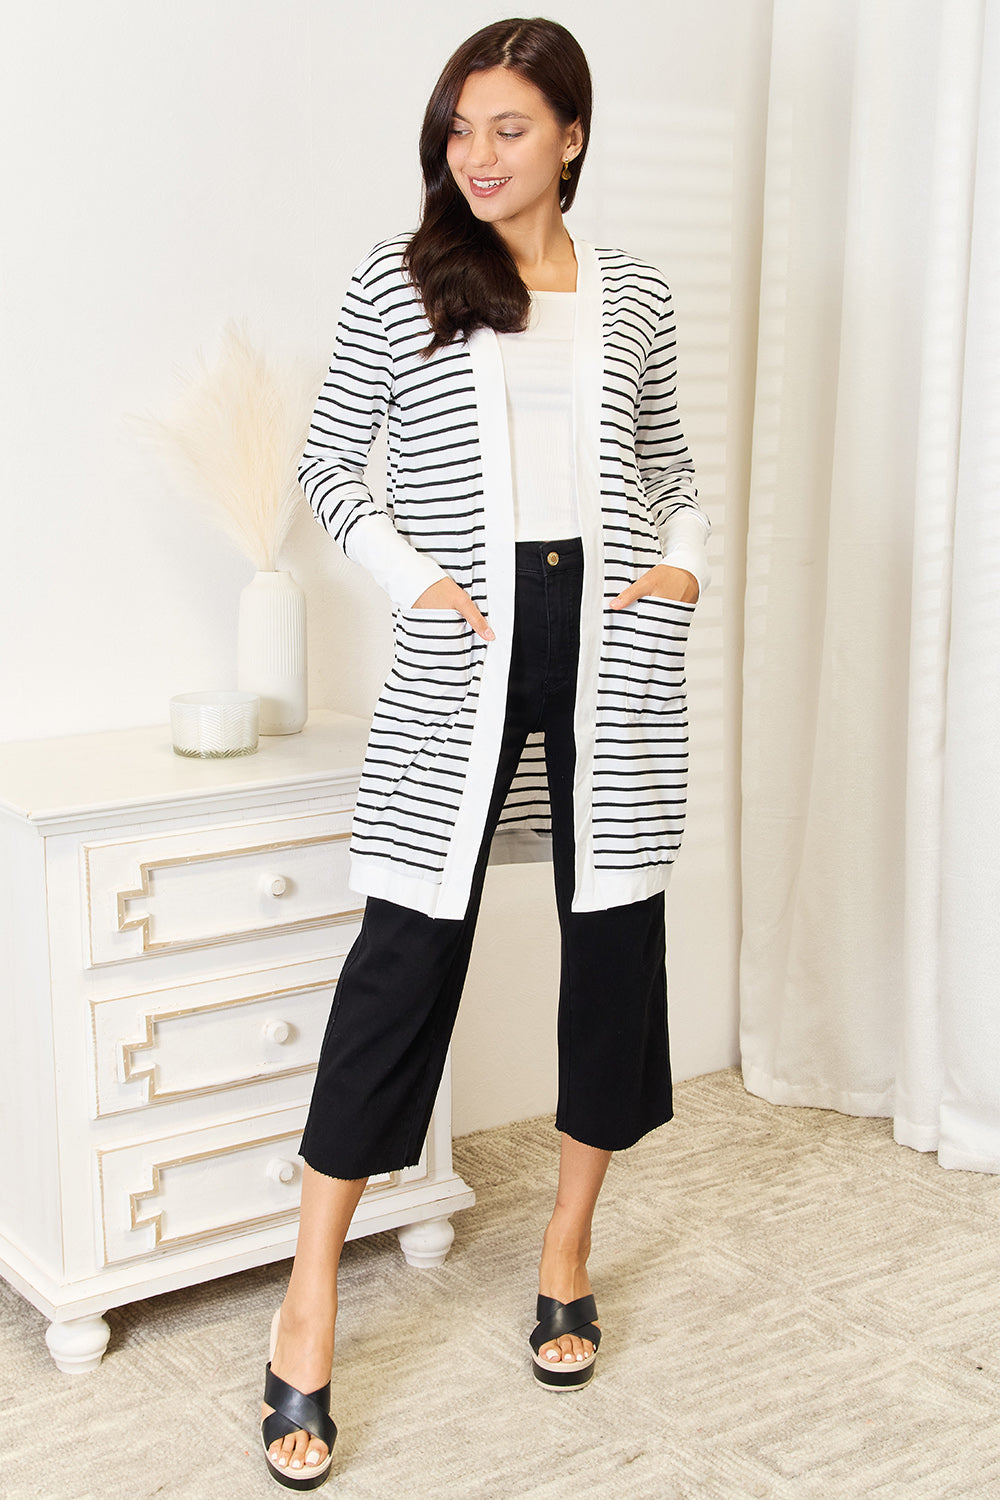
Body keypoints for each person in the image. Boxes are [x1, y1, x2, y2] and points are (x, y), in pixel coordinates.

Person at [260, 15, 709, 1488]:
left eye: (507, 127)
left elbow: (669, 463)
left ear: (570, 136)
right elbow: (330, 461)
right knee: (407, 946)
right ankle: (309, 1297)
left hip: (610, 633)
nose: (477, 154)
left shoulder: (630, 288)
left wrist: (683, 565)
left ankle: (567, 1244)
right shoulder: (405, 284)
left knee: (612, 937)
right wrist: (414, 584)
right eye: (460, 128)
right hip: (469, 643)